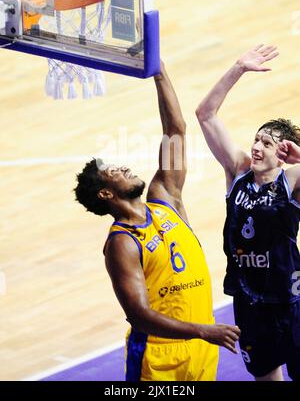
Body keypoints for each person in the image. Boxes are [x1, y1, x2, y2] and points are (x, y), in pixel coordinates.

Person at [74, 62, 240, 381]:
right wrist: (203, 330)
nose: (122, 167)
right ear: (106, 194)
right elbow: (140, 317)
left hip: (201, 347)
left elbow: (175, 132)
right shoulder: (121, 243)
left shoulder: (165, 197)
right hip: (158, 357)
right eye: (112, 172)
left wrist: (158, 71)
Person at [195, 44, 300, 381]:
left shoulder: (292, 181)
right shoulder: (238, 171)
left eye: (267, 144)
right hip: (250, 300)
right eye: (257, 139)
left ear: (282, 154)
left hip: (290, 300)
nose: (256, 147)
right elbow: (205, 115)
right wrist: (238, 68)